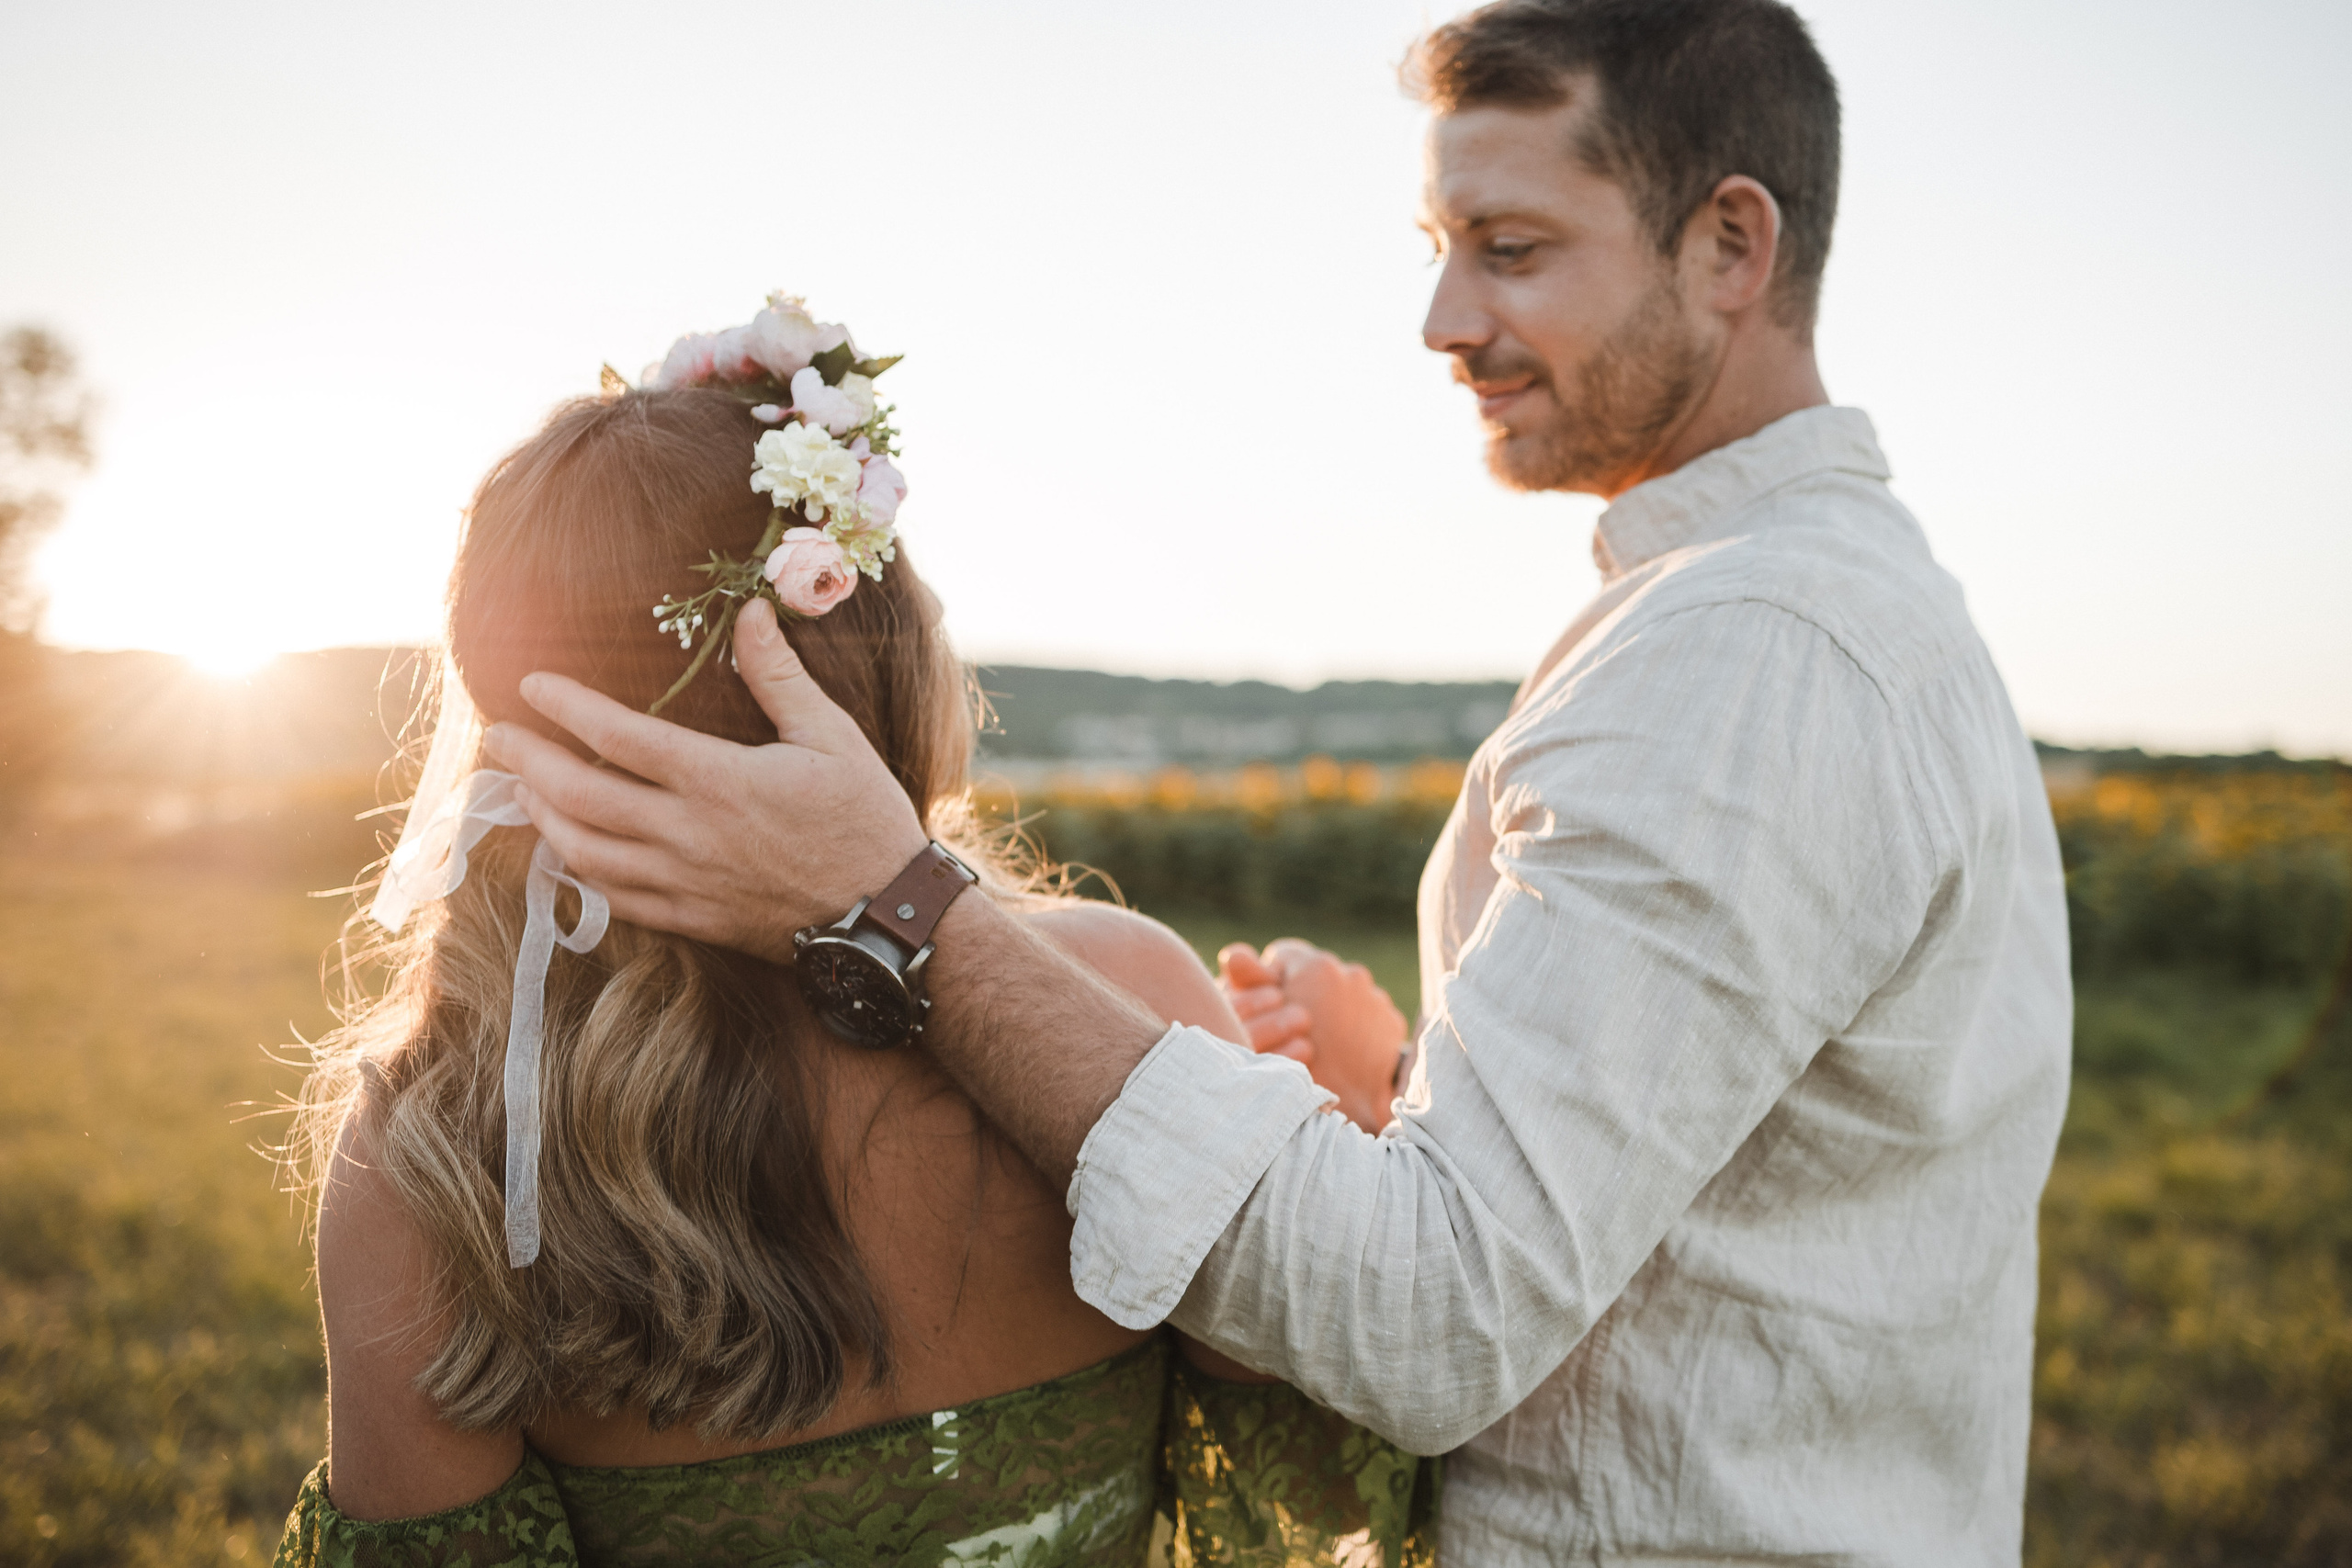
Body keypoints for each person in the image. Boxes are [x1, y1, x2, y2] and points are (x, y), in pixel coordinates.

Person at [492, 1, 2074, 1561]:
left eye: (1511, 249)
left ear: (1731, 246)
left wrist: (895, 904)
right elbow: (1658, 1178)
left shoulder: (1753, 647)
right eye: (1437, 247)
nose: (1445, 319)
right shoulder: (1839, 603)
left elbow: (1430, 1324)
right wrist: (1412, 1101)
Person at [273, 299, 1438, 1567]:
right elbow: (1339, 1402)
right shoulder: (1126, 988)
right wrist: (1354, 1100)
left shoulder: (447, 1149)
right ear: (875, 657)